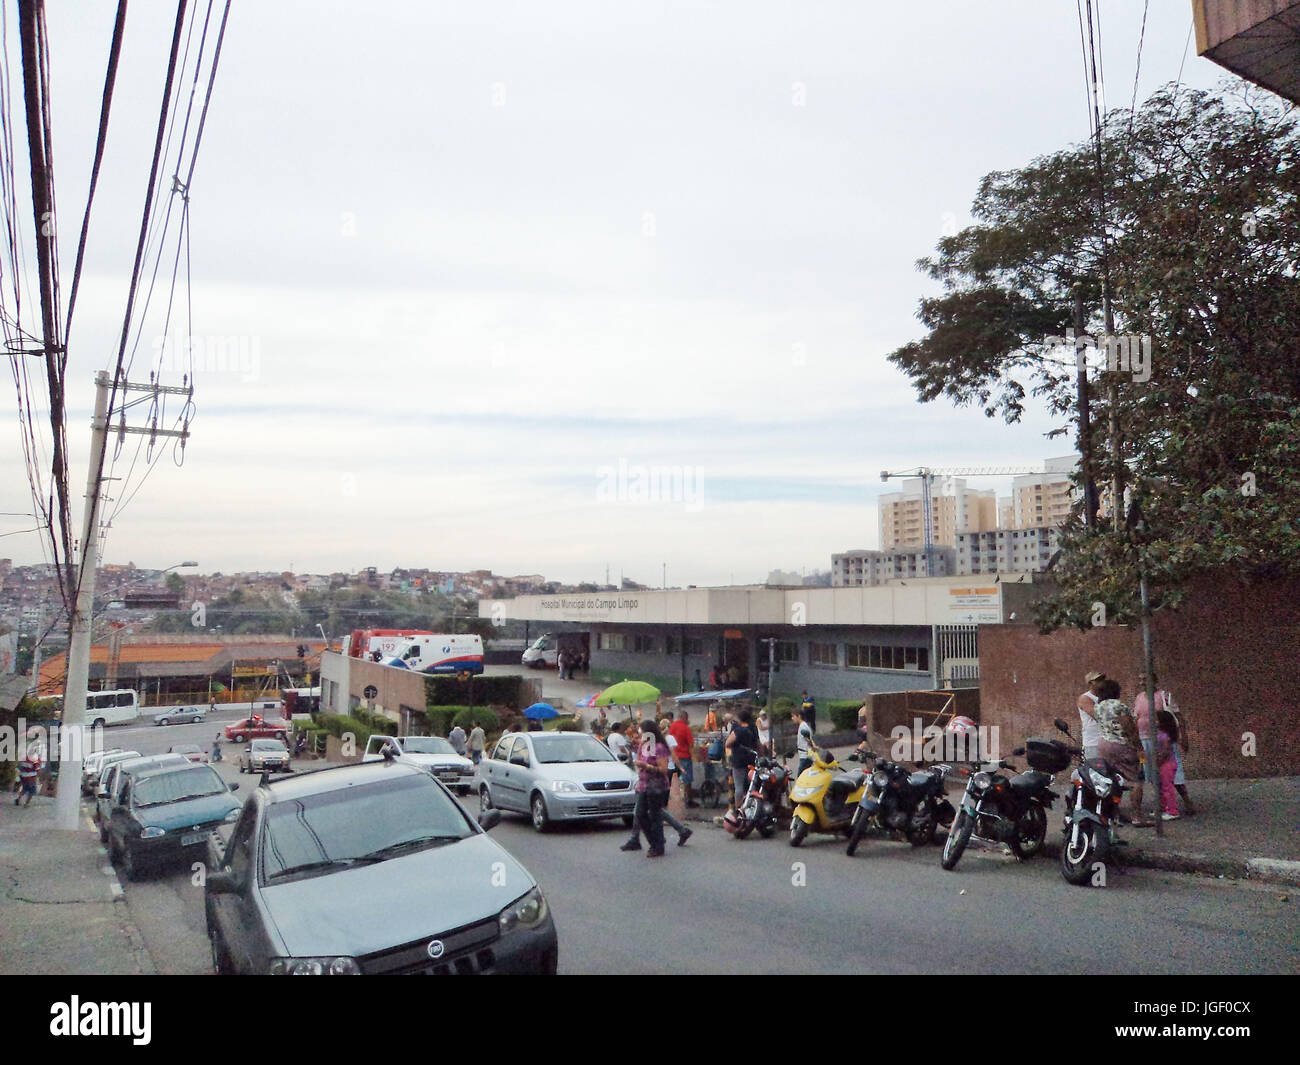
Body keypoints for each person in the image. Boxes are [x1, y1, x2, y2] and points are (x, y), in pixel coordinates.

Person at [1092, 679, 1147, 825]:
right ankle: (1137, 816)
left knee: (1112, 779)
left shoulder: (1098, 707)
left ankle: (1113, 813)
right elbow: (1129, 728)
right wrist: (1140, 748)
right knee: (1134, 780)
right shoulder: (1119, 706)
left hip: (1104, 745)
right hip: (1121, 744)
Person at [621, 719, 673, 857]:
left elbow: (663, 769)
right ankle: (655, 841)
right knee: (640, 814)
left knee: (655, 816)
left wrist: (647, 767)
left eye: (642, 732)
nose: (640, 734)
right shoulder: (644, 747)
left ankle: (657, 845)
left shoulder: (659, 747)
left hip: (656, 786)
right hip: (643, 785)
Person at [724, 708, 760, 813]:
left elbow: (728, 743)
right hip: (752, 760)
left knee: (739, 786)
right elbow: (758, 744)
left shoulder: (738, 729)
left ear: (740, 719)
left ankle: (738, 810)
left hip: (739, 761)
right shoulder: (753, 728)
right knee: (751, 785)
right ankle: (751, 809)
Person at [668, 710, 697, 807]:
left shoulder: (672, 726)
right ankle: (688, 800)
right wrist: (695, 756)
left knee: (675, 778)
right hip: (685, 756)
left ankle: (675, 799)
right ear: (684, 718)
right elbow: (691, 744)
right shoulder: (685, 728)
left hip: (674, 756)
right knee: (687, 779)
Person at [1156, 709, 1180, 821]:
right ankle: (1165, 808)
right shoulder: (1160, 734)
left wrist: (1159, 760)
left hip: (1167, 764)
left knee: (1167, 788)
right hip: (1164, 764)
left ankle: (1172, 810)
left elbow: (1166, 751)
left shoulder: (1165, 736)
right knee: (1162, 787)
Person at [1077, 670, 1107, 760]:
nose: (1102, 682)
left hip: (1108, 743)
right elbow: (1098, 716)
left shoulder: (1105, 697)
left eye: (1102, 679)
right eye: (1098, 680)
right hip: (1093, 743)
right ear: (1090, 683)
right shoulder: (1085, 698)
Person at [792, 707, 817, 777]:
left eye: (793, 716)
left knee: (800, 777)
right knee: (806, 776)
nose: (792, 718)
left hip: (805, 756)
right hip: (805, 755)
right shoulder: (803, 725)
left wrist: (813, 747)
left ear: (799, 716)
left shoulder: (803, 726)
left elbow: (808, 739)